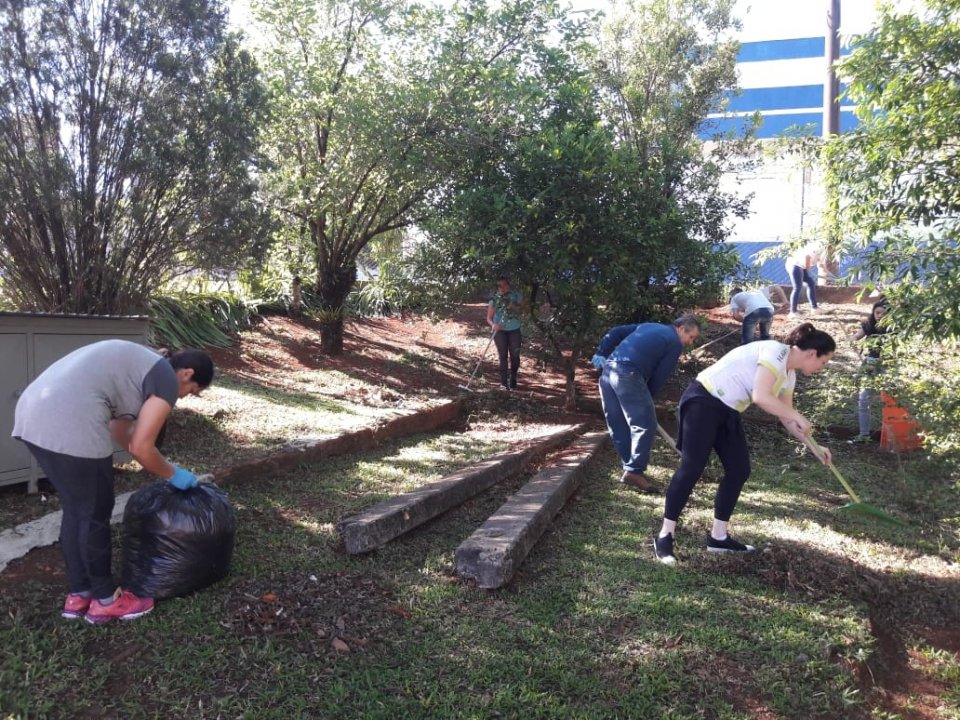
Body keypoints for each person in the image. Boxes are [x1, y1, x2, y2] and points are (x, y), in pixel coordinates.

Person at [12, 340, 214, 623]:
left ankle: (79, 595)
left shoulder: (142, 364)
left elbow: (123, 433)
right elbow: (142, 448)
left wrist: (149, 458)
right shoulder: (166, 378)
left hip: (31, 415)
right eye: (191, 392)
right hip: (69, 420)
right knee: (95, 512)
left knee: (77, 510)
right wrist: (173, 474)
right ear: (187, 373)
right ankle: (106, 601)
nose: (183, 397)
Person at [653, 323, 835, 565]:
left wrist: (815, 447)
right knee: (692, 467)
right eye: (824, 362)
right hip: (703, 399)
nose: (822, 368)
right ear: (812, 353)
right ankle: (665, 535)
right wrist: (797, 416)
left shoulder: (788, 375)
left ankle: (718, 538)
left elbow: (786, 416)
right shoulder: (776, 352)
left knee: (739, 470)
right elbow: (761, 397)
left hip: (728, 410)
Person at [594, 315, 701, 492]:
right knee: (645, 424)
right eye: (691, 337)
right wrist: (646, 398)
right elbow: (660, 376)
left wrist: (601, 353)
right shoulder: (674, 342)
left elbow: (615, 332)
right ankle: (634, 471)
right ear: (681, 328)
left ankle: (630, 469)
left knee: (618, 422)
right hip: (628, 374)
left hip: (608, 371)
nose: (690, 342)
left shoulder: (649, 326)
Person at [850, 297, 889, 442]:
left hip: (888, 366)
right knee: (864, 397)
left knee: (890, 400)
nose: (880, 316)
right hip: (870, 365)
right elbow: (856, 336)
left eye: (884, 314)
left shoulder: (895, 329)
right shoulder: (868, 324)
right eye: (877, 313)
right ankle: (864, 434)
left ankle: (890, 436)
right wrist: (852, 341)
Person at [486, 277, 524, 390]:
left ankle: (513, 378)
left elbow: (523, 309)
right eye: (499, 286)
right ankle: (503, 383)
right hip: (500, 331)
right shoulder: (494, 299)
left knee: (515, 356)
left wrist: (514, 306)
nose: (502, 288)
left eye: (504, 285)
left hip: (514, 329)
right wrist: (493, 324)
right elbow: (489, 318)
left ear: (508, 285)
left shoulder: (516, 295)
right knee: (503, 356)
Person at [785, 244, 822, 317]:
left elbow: (819, 263)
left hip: (801, 266)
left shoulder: (823, 250)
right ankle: (793, 312)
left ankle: (815, 308)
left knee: (810, 283)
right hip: (795, 265)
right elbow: (807, 256)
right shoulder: (819, 246)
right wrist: (808, 268)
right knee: (797, 287)